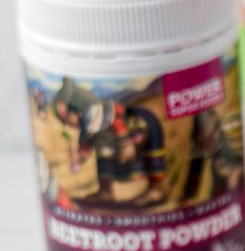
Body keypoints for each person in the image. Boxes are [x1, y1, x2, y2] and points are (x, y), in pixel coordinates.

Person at [53, 77, 167, 206]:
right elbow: (86, 145)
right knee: (103, 151)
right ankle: (105, 191)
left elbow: (117, 120)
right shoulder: (87, 127)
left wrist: (126, 144)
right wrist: (77, 157)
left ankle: (156, 189)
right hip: (112, 141)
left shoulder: (99, 113)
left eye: (67, 120)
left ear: (76, 112)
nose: (68, 125)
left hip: (138, 128)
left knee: (116, 151)